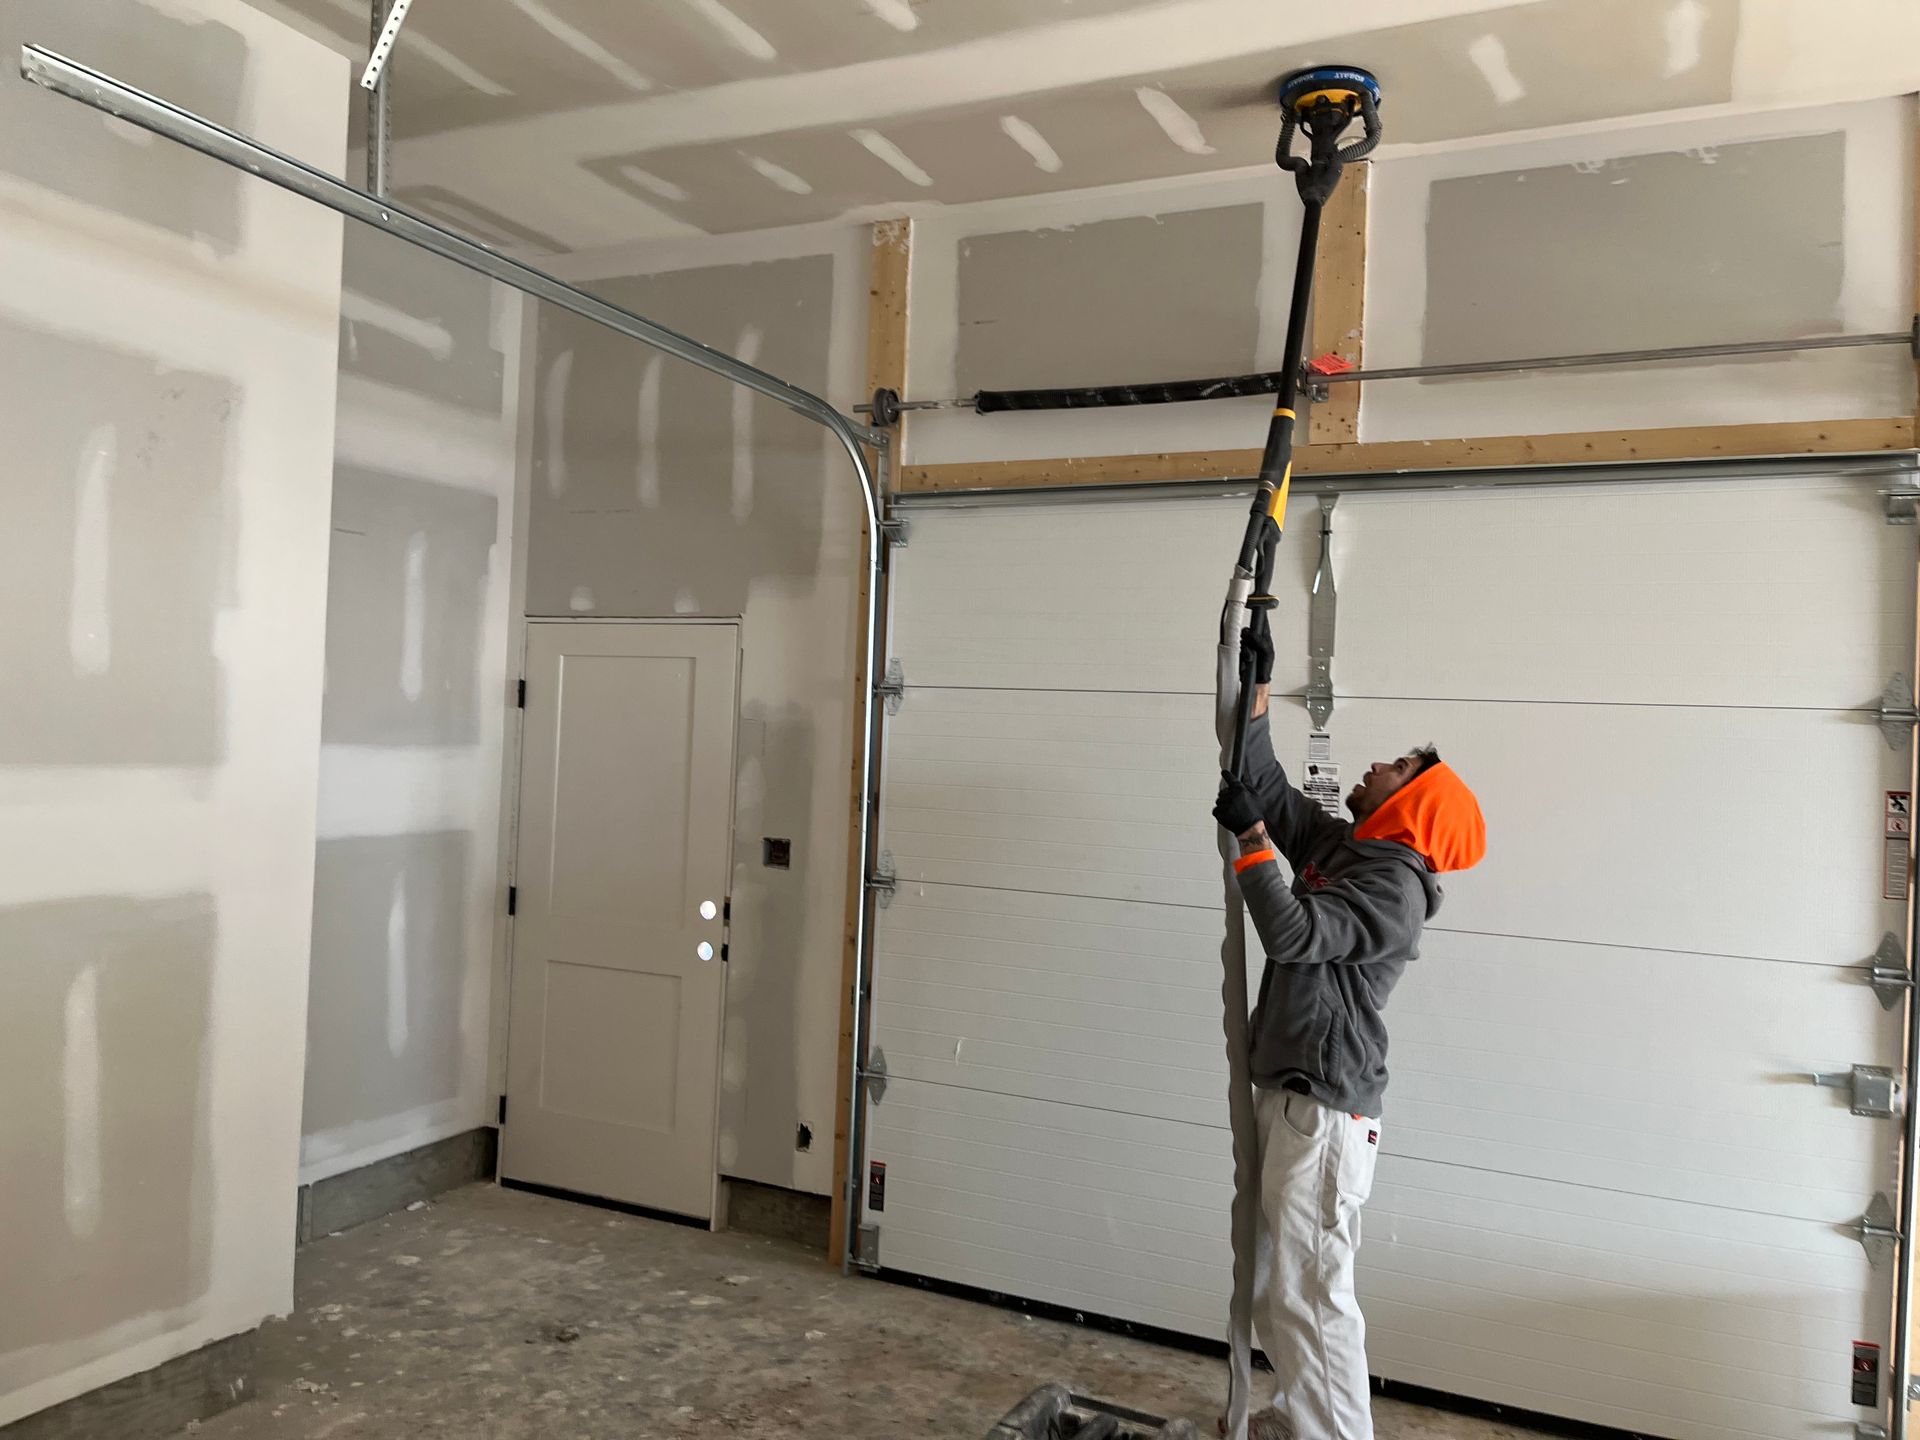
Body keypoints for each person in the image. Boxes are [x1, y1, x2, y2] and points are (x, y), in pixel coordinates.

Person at [1211, 629, 1486, 1440]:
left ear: (1418, 802)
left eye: (1397, 766)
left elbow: (1293, 932)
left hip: (1324, 1112)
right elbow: (1261, 786)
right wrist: (1256, 691)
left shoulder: (1393, 887)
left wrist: (1254, 845)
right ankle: (1303, 1422)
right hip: (1292, 1093)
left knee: (1310, 1293)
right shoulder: (1348, 846)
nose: (1375, 767)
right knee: (1283, 1288)